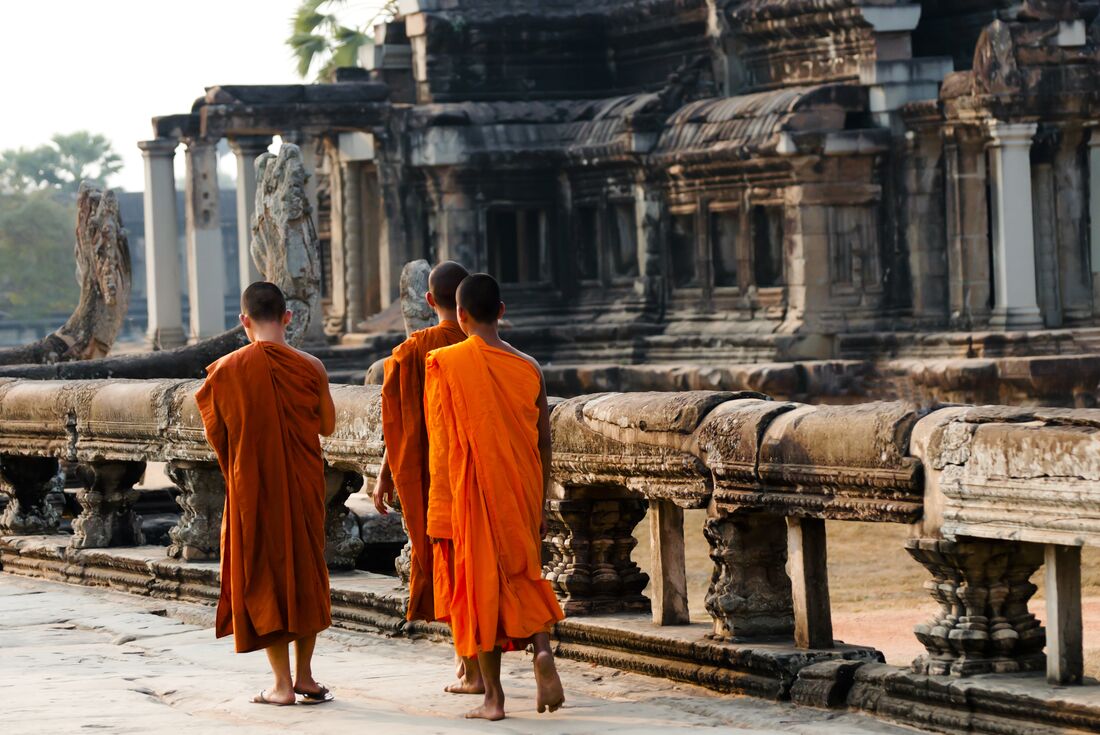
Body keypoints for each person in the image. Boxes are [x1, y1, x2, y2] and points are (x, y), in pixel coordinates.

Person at [424, 273, 566, 721]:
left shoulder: (446, 362)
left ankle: (494, 700)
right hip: (521, 488)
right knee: (523, 570)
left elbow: (442, 442)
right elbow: (543, 441)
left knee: (481, 586)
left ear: (460, 316)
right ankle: (541, 647)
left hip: (473, 490)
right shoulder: (529, 366)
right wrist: (541, 501)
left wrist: (444, 506)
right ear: (501, 312)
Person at [195, 281, 337, 707]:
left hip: (252, 489)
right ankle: (306, 677)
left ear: (244, 321)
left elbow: (217, 437)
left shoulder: (224, 372)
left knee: (265, 576)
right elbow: (327, 427)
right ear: (287, 317)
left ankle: (281, 685)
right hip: (303, 486)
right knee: (305, 570)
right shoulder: (310, 366)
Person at [371, 260, 483, 693]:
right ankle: (476, 657)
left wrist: (385, 477)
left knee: (450, 566)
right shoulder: (491, 349)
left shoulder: (415, 351)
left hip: (435, 479)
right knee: (479, 566)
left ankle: (468, 660)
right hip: (480, 475)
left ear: (429, 300)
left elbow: (399, 423)